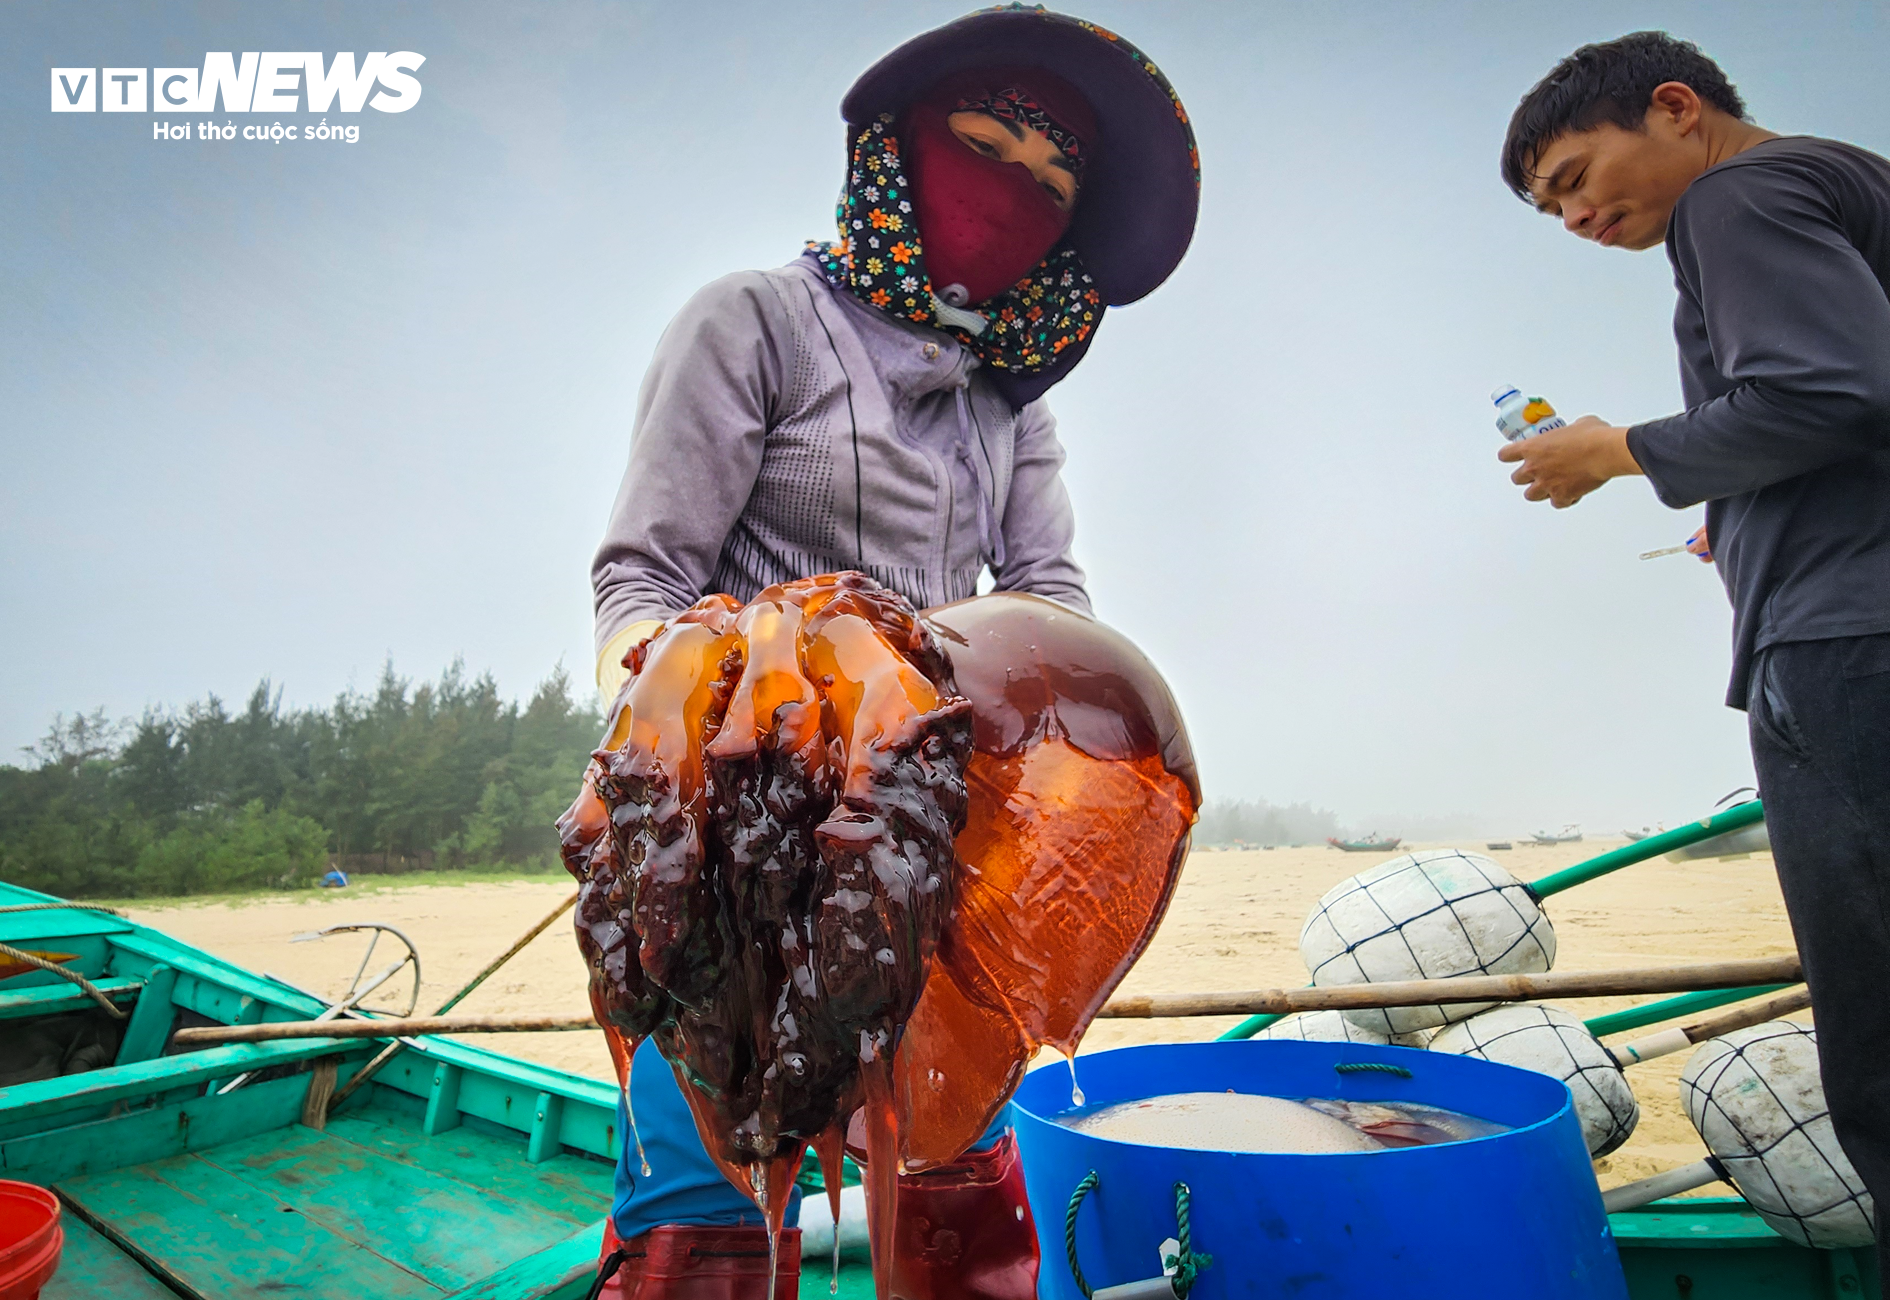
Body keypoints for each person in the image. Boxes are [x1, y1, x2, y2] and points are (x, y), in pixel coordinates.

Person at [584, 9, 1200, 1298]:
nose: (1015, 194)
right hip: (731, 829)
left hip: (925, 835)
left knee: (956, 1179)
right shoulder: (752, 319)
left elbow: (1047, 595)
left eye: (1054, 184)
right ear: (895, 155)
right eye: (983, 147)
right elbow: (639, 576)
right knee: (708, 1184)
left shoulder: (1009, 404)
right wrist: (706, 689)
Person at [1494, 31, 1890, 1282]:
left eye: (1574, 175)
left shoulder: (1734, 196)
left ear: (1675, 108)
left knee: (1876, 1033)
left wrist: (1617, 451)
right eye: (1553, 207)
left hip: (1847, 643)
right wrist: (1745, 515)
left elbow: (1833, 390)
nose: (1574, 215)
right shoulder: (1852, 180)